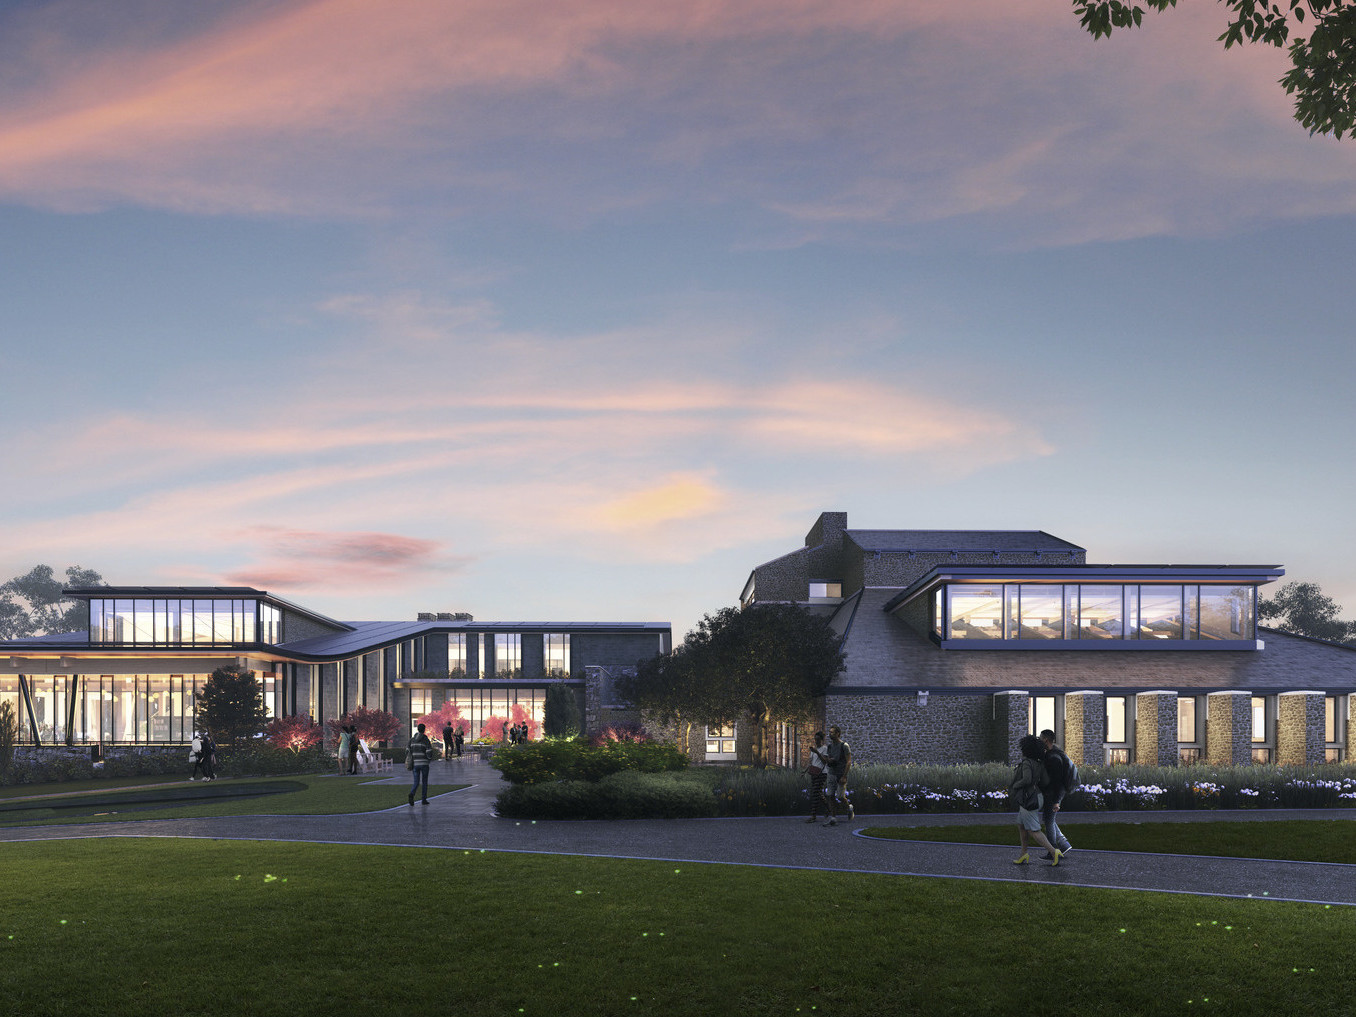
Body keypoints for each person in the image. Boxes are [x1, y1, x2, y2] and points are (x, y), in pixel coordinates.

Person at [1011, 734, 1062, 865]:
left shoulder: (1027, 763)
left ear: (1026, 749)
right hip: (1037, 797)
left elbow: (1026, 779)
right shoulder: (1039, 764)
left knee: (1034, 830)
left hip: (1028, 799)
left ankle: (1053, 851)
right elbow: (1045, 781)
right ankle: (1024, 854)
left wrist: (1015, 785)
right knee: (1021, 825)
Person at [1039, 729, 1074, 858]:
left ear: (1046, 740)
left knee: (1048, 821)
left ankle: (1053, 851)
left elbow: (1058, 781)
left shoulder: (1053, 757)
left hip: (1053, 794)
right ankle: (1064, 845)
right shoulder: (1055, 753)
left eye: (1040, 738)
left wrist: (1057, 800)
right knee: (1049, 820)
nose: (1039, 740)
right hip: (1053, 793)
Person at [822, 725, 854, 826]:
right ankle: (833, 817)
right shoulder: (830, 747)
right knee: (830, 795)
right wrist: (828, 760)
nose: (830, 734)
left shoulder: (844, 746)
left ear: (838, 734)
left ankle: (849, 807)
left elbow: (848, 762)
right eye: (829, 732)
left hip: (840, 773)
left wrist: (844, 776)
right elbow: (827, 759)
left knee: (840, 796)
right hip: (831, 773)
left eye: (832, 732)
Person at [802, 731, 830, 824]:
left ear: (822, 740)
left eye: (818, 739)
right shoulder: (813, 750)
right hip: (814, 773)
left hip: (822, 773)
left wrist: (817, 752)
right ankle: (829, 808)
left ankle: (813, 816)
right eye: (815, 739)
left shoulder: (825, 749)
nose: (816, 741)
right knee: (818, 793)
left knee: (815, 793)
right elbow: (811, 762)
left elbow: (825, 761)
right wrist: (805, 771)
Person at [407, 723, 433, 806]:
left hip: (415, 764)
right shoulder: (425, 739)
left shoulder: (411, 740)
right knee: (424, 782)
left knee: (416, 782)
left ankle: (412, 793)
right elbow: (429, 751)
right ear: (424, 730)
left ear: (417, 729)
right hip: (424, 763)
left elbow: (407, 750)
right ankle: (423, 799)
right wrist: (429, 759)